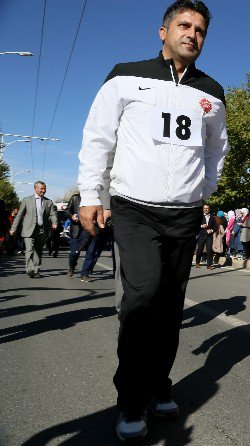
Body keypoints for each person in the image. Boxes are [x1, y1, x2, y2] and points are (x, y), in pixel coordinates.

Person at [76, 1, 230, 441]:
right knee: (141, 300)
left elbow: (216, 149)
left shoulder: (212, 92)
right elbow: (98, 136)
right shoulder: (126, 75)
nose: (192, 34)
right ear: (162, 31)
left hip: (183, 214)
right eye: (184, 25)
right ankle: (131, 399)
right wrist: (91, 193)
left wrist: (204, 190)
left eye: (200, 30)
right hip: (134, 209)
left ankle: (160, 383)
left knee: (168, 308)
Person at [9, 181, 58, 278]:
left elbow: (53, 214)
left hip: (42, 230)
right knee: (29, 249)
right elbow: (19, 215)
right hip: (28, 229)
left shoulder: (48, 202)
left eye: (45, 188)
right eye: (41, 188)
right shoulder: (27, 200)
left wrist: (54, 222)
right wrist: (13, 228)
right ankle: (30, 269)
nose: (43, 190)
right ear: (35, 189)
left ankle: (36, 270)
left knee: (38, 251)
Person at [195, 204, 217, 269]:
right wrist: (202, 226)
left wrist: (212, 230)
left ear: (209, 209)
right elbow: (195, 225)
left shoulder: (212, 217)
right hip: (201, 235)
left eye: (207, 208)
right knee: (199, 250)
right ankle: (197, 263)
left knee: (209, 250)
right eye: (205, 208)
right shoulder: (200, 217)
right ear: (203, 209)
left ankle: (209, 265)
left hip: (209, 236)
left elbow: (215, 227)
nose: (206, 209)